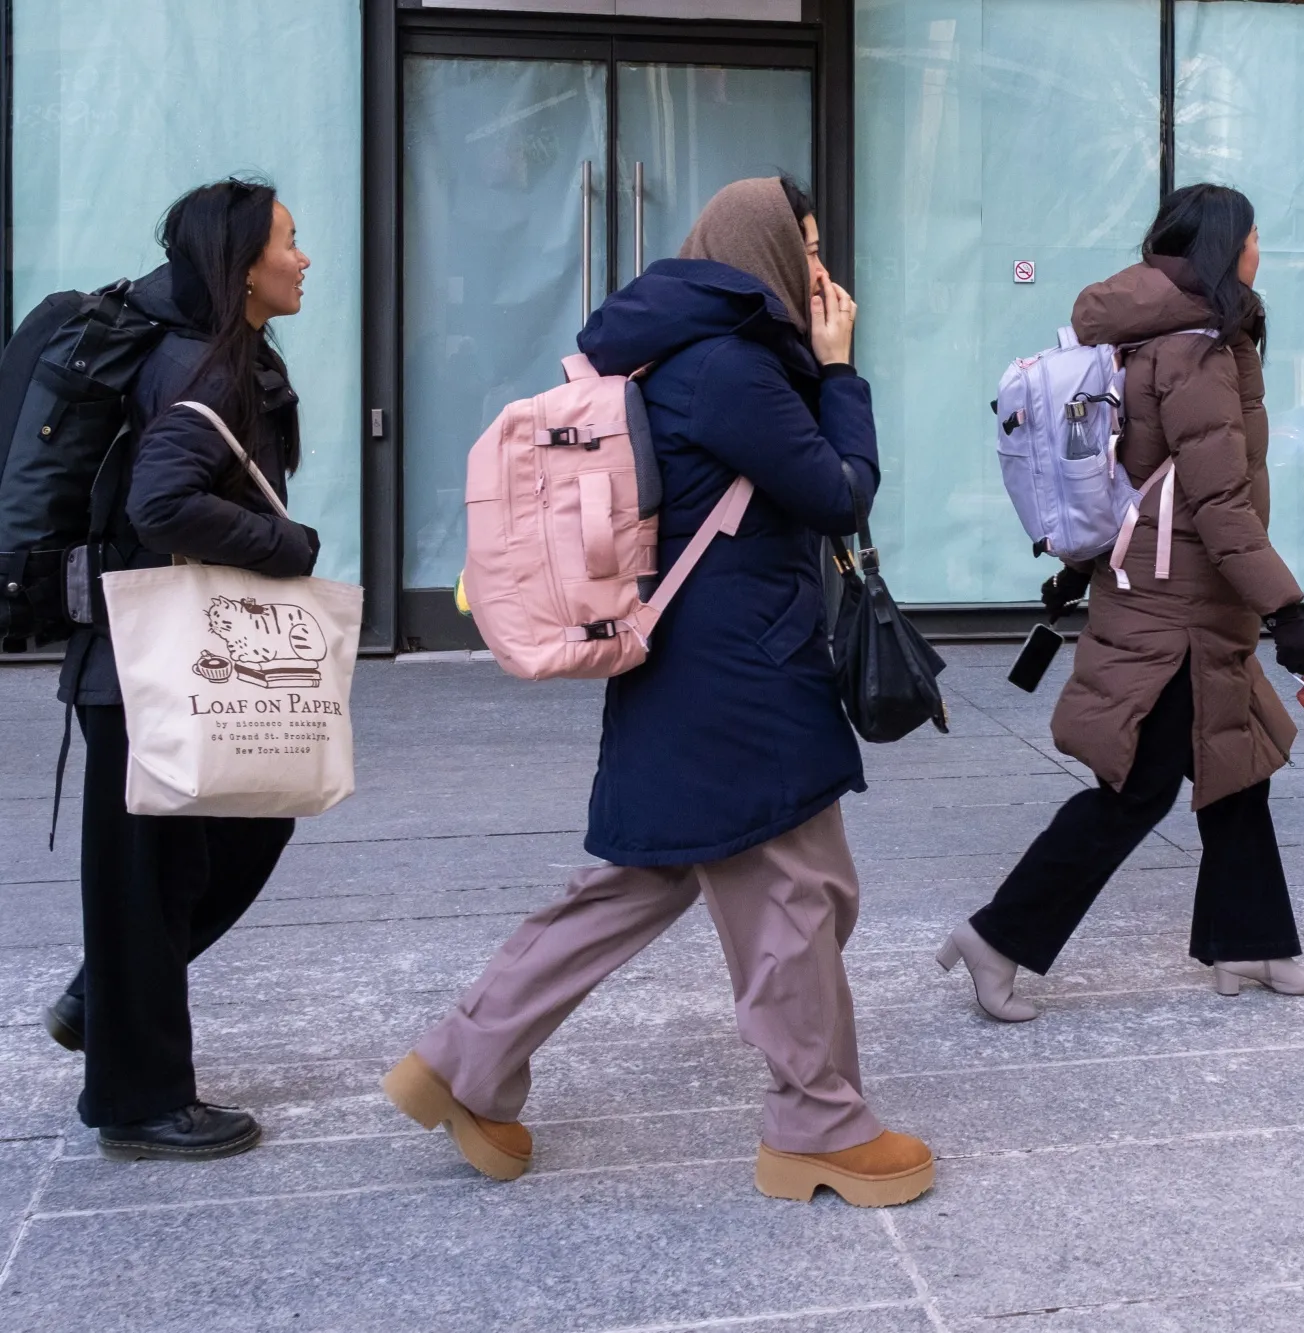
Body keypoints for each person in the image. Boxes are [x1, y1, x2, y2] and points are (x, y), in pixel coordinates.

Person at [382, 177, 934, 1209]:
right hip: (740, 676)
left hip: (693, 662)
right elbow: (839, 492)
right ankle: (818, 1121)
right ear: (759, 255)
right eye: (804, 251)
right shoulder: (731, 367)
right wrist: (838, 372)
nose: (819, 275)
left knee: (643, 879)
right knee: (797, 893)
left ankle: (464, 1060)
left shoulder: (684, 351)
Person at [938, 184, 1304, 1022]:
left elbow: (1131, 478)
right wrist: (1286, 611)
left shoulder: (1146, 338)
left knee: (1237, 771)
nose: (1262, 249)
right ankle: (998, 938)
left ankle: (1249, 944)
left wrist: (1083, 573)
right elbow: (1218, 502)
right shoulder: (1196, 351)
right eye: (1255, 236)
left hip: (1165, 598)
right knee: (1138, 789)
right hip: (1180, 617)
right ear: (1228, 247)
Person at [43, 178, 319, 1160]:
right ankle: (139, 1099)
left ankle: (112, 997)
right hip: (145, 662)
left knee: (204, 849)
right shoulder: (201, 366)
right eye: (289, 242)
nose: (304, 258)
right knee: (151, 876)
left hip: (148, 657)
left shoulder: (204, 351)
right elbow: (161, 503)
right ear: (242, 266)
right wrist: (289, 547)